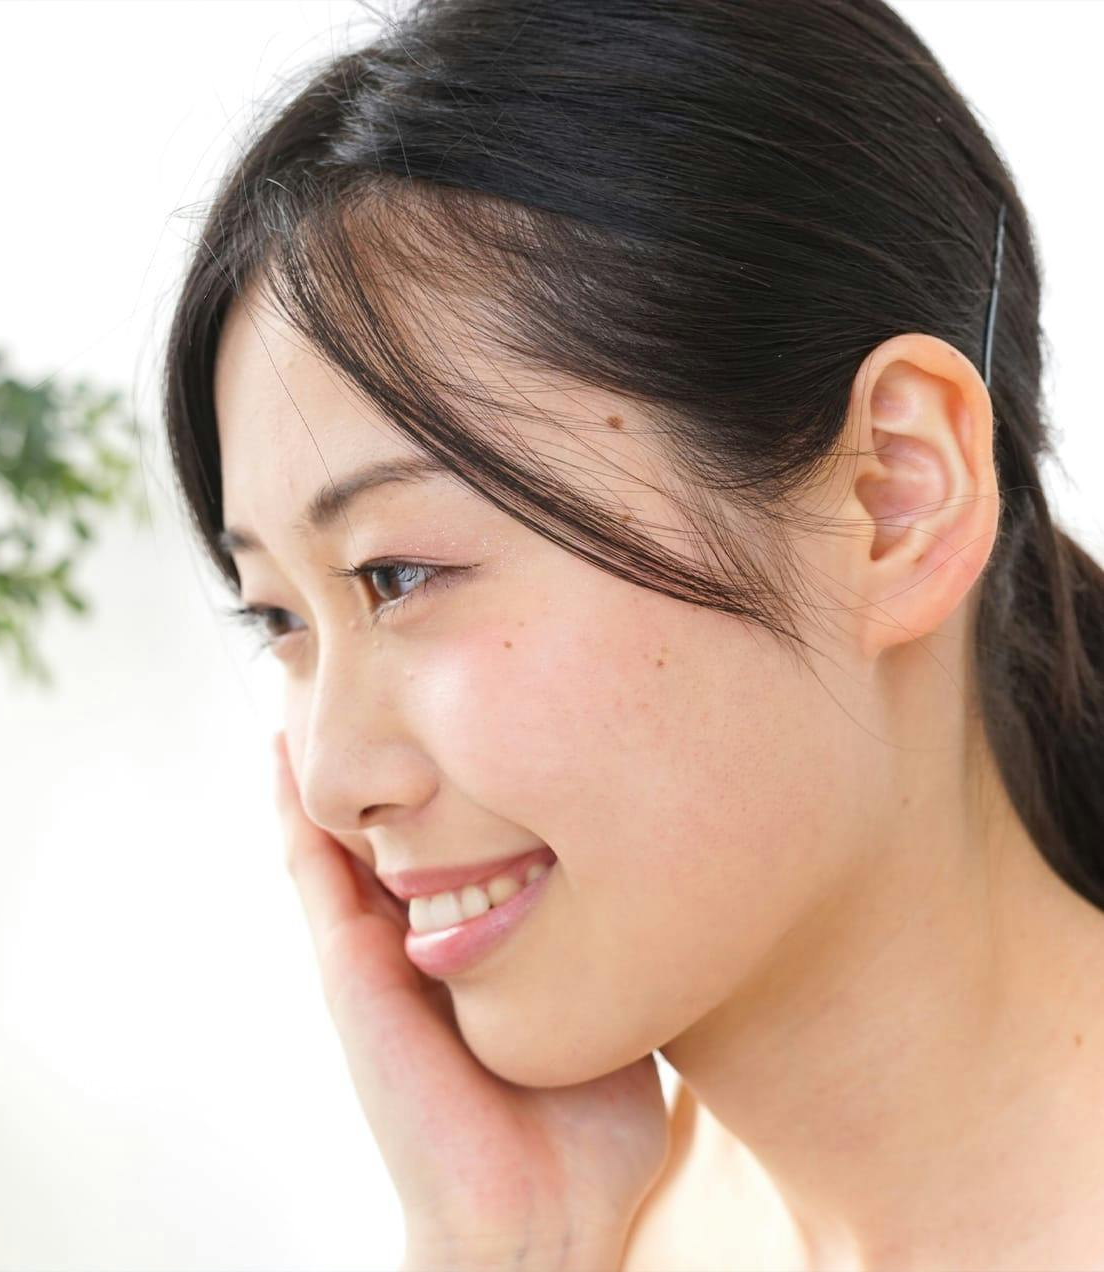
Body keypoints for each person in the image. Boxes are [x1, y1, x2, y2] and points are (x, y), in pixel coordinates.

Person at [162, 1, 1104, 1266]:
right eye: (279, 616)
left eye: (399, 572)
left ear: (892, 494)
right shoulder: (588, 1225)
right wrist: (504, 1246)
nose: (334, 780)